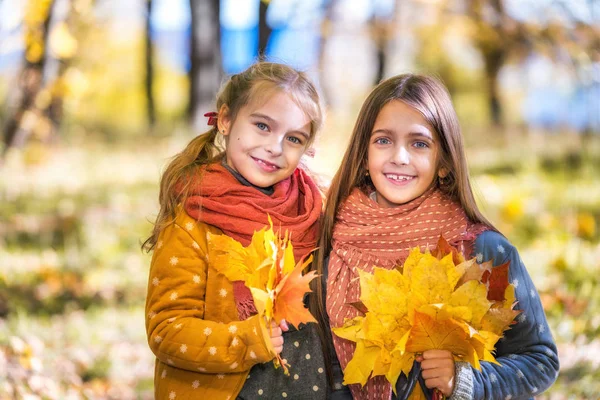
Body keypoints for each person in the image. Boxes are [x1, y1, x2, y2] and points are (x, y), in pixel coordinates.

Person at [315, 74, 559, 399]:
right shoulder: (332, 245)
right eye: (383, 140)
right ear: (363, 155)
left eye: (419, 143)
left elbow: (540, 361)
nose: (400, 156)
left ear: (443, 162)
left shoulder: (481, 250)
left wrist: (465, 381)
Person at [143, 61, 329, 399]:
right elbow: (166, 330)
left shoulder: (313, 208)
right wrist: (245, 340)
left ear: (306, 149)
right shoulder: (196, 215)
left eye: (294, 138)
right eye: (262, 126)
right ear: (226, 119)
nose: (275, 147)